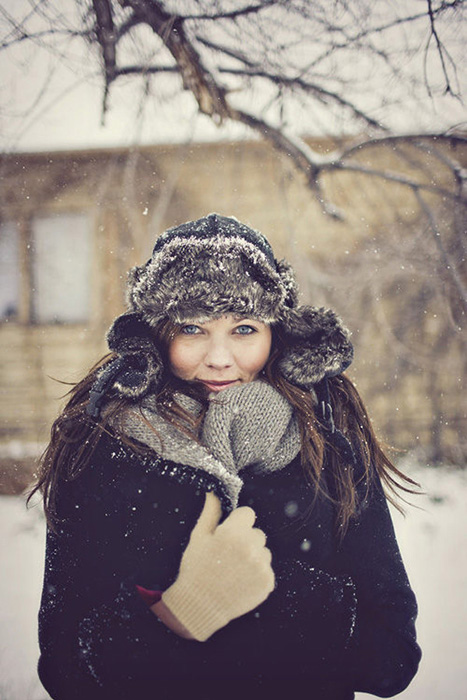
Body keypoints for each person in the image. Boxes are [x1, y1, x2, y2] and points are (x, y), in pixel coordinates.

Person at [32, 213, 421, 700]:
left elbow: (392, 656)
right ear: (156, 336)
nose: (219, 358)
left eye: (243, 329)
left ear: (276, 333)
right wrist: (182, 615)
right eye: (192, 329)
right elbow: (67, 665)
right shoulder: (104, 444)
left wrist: (274, 601)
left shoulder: (328, 434)